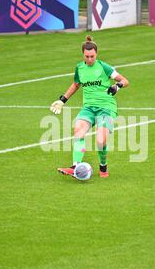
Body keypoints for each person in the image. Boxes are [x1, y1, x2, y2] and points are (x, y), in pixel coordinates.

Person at [50, 35, 129, 178]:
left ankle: (103, 166)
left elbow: (125, 80)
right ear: (83, 55)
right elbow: (76, 85)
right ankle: (75, 167)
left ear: (96, 54)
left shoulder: (104, 67)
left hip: (107, 108)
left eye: (92, 56)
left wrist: (117, 87)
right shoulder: (80, 68)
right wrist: (62, 100)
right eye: (87, 56)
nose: (90, 59)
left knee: (100, 141)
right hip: (88, 108)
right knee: (78, 132)